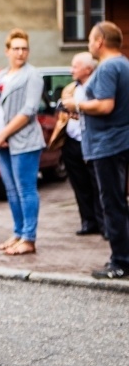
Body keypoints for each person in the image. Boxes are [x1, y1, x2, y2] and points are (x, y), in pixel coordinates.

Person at [61, 21, 129, 279]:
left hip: (108, 145)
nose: (88, 44)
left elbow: (105, 105)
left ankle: (121, 262)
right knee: (117, 202)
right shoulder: (123, 63)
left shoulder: (109, 67)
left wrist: (76, 105)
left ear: (100, 42)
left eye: (90, 39)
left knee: (111, 204)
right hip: (117, 142)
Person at [0, 28, 45, 256]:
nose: (21, 53)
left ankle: (29, 238)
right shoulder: (0, 76)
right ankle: (18, 232)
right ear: (7, 51)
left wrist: (3, 134)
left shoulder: (33, 75)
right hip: (0, 142)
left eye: (24, 49)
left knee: (26, 190)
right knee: (11, 191)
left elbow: (29, 110)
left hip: (24, 142)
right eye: (16, 48)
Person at [52, 52, 104, 237]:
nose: (71, 70)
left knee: (98, 184)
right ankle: (88, 222)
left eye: (75, 66)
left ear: (88, 69)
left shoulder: (98, 87)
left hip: (93, 142)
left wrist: (80, 109)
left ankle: (104, 224)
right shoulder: (70, 88)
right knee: (79, 184)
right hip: (72, 142)